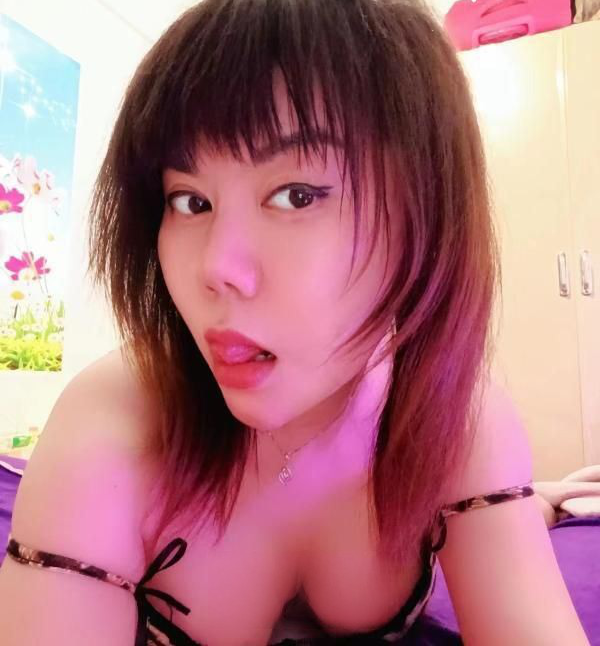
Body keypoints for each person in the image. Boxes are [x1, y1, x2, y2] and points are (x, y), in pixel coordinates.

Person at [0, 1, 590, 644]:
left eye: (296, 195)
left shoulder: (457, 415)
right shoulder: (112, 425)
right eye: (190, 201)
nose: (216, 269)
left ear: (426, 209)